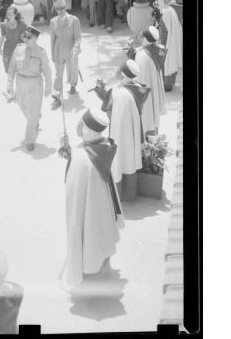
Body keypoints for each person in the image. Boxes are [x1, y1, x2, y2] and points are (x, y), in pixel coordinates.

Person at [58, 108, 123, 290]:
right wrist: (69, 152)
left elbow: (74, 185)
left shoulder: (82, 159)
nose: (78, 127)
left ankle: (88, 272)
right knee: (98, 235)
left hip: (89, 207)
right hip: (101, 208)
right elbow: (82, 157)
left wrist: (72, 157)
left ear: (87, 129)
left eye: (81, 124)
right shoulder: (101, 146)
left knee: (87, 233)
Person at [96, 60, 150, 200]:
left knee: (120, 160)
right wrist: (104, 91)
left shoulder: (118, 92)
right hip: (132, 134)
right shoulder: (136, 88)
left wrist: (101, 91)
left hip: (120, 134)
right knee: (129, 160)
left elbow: (108, 112)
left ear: (124, 73)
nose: (117, 71)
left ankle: (120, 195)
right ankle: (130, 194)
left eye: (119, 69)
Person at [7, 26, 52, 151]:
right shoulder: (18, 49)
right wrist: (9, 84)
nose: (25, 39)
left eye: (29, 37)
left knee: (32, 113)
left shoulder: (41, 52)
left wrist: (49, 87)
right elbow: (11, 67)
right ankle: (35, 118)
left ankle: (29, 140)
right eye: (24, 36)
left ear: (36, 38)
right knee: (22, 106)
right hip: (20, 82)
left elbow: (47, 71)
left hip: (35, 83)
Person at [134, 26, 167, 135]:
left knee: (147, 114)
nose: (140, 38)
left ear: (146, 39)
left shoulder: (141, 55)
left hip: (144, 90)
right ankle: (155, 137)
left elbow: (136, 75)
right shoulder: (157, 49)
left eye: (142, 37)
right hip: (154, 87)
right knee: (154, 112)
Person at [50, 0, 81, 103]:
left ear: (66, 7)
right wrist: (52, 54)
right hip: (58, 49)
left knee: (73, 69)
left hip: (71, 48)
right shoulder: (53, 21)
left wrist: (75, 49)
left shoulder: (74, 20)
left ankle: (73, 85)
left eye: (62, 8)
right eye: (58, 8)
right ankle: (56, 94)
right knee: (58, 73)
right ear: (55, 9)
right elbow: (52, 39)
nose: (60, 10)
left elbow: (78, 37)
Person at [161, 0, 183, 91]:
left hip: (167, 41)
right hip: (174, 41)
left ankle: (166, 85)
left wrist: (161, 44)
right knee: (171, 60)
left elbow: (165, 30)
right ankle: (170, 84)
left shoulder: (167, 11)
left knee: (166, 61)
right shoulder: (175, 9)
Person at [0, 6, 27, 74]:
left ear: (15, 14)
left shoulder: (22, 24)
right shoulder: (4, 25)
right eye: (8, 14)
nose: (9, 16)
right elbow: (2, 37)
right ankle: (10, 84)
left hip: (19, 49)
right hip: (7, 49)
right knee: (9, 69)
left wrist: (29, 47)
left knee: (19, 69)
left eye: (11, 14)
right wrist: (0, 48)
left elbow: (26, 37)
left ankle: (19, 83)